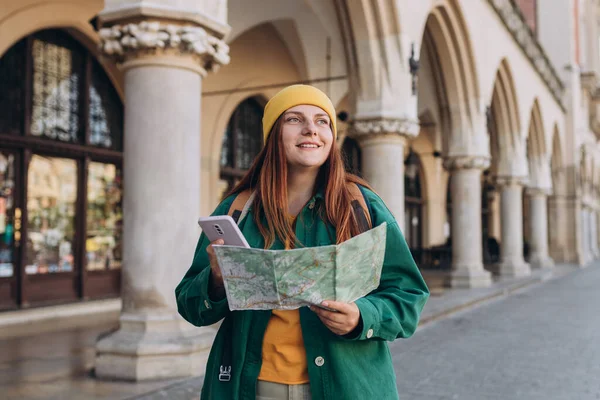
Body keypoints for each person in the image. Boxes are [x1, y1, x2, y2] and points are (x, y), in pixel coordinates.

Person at [175, 85, 430, 400]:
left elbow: (409, 295)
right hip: (251, 388)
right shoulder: (238, 210)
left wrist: (363, 316)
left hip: (345, 388)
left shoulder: (361, 206)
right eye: (294, 119)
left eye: (323, 121)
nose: (311, 129)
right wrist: (215, 279)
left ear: (332, 137)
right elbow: (190, 305)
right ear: (273, 136)